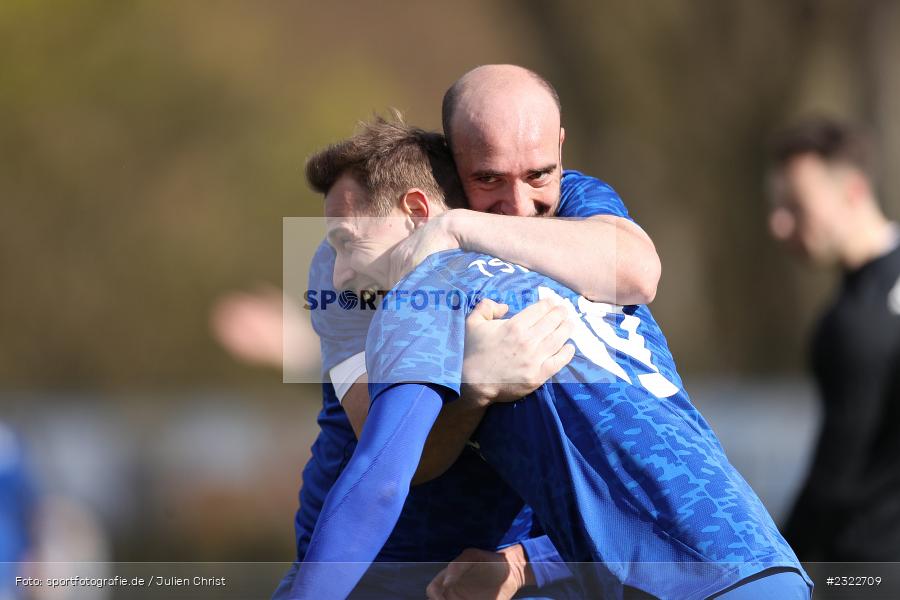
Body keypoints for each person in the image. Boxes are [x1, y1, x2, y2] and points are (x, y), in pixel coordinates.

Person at [289, 117, 812, 599]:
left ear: (419, 213)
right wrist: (475, 391)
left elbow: (380, 478)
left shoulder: (430, 290)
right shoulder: (591, 282)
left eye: (345, 243)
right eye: (491, 178)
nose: (335, 274)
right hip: (766, 565)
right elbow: (621, 473)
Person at [276, 65, 663, 599]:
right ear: (456, 165)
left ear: (559, 150)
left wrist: (530, 563)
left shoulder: (575, 204)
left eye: (537, 175)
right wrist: (476, 382)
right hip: (370, 574)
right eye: (488, 179)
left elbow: (638, 275)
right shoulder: (359, 257)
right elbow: (399, 458)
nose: (520, 206)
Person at [767, 116, 900, 561]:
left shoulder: (855, 323)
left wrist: (775, 567)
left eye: (796, 205)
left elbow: (833, 485)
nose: (779, 225)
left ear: (853, 190)